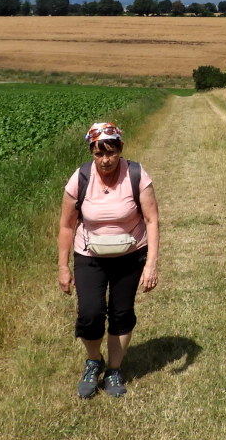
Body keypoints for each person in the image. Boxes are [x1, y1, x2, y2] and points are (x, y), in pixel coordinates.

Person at [58, 121, 160, 398]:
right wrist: (63, 266)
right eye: (98, 153)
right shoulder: (79, 178)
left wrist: (151, 263)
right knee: (90, 314)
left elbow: (151, 220)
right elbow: (67, 226)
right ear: (92, 152)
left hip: (130, 254)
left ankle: (114, 369)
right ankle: (94, 361)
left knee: (121, 312)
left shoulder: (136, 174)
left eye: (111, 152)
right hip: (89, 255)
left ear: (120, 149)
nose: (105, 160)